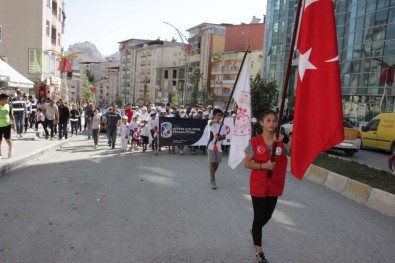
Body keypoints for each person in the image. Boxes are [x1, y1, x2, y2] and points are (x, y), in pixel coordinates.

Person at [243, 110, 291, 263]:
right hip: (258, 185)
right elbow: (247, 163)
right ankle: (259, 251)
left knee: (267, 216)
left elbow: (293, 151)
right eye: (268, 120)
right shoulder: (255, 142)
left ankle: (255, 229)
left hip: (274, 186)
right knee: (258, 217)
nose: (271, 123)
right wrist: (264, 165)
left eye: (274, 121)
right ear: (262, 123)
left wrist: (285, 140)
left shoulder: (280, 143)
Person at [207, 108, 227, 189]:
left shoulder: (223, 126)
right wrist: (217, 121)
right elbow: (211, 122)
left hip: (219, 147)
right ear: (214, 115)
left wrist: (220, 138)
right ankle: (213, 181)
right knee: (212, 164)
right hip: (211, 146)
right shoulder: (210, 122)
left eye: (220, 115)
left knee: (217, 164)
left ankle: (212, 175)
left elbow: (225, 136)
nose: (219, 117)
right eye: (218, 115)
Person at [0, 93, 16, 159]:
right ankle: (0, 154)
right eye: (6, 99)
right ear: (1, 99)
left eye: (8, 99)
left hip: (7, 125)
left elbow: (11, 116)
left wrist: (13, 124)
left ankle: (10, 149)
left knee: (8, 140)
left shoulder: (9, 106)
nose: (7, 101)